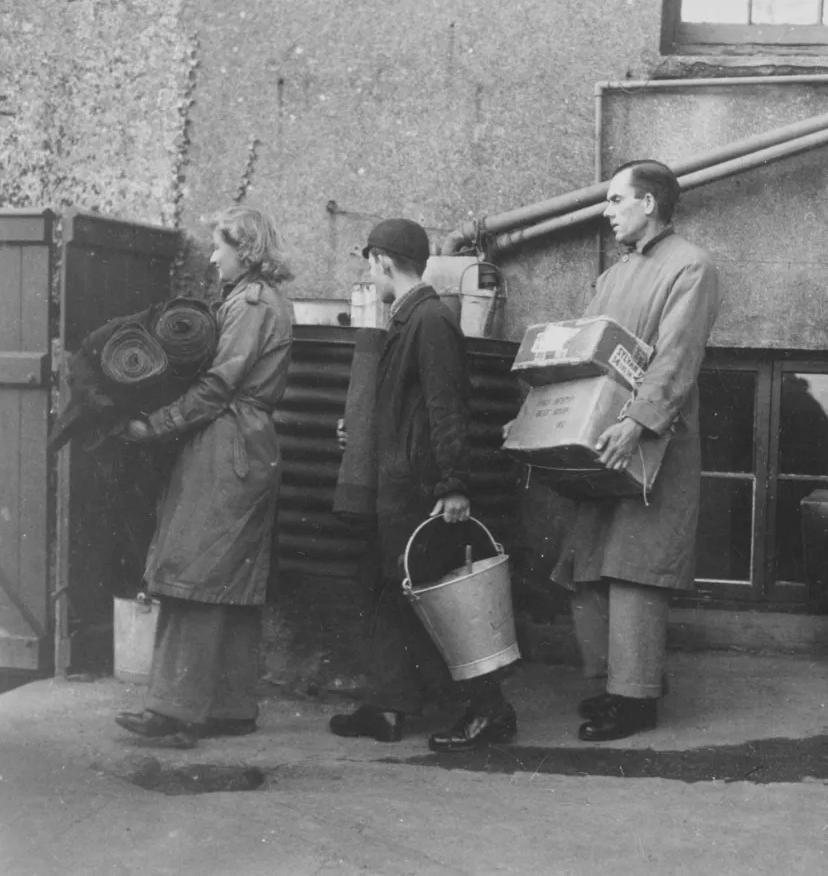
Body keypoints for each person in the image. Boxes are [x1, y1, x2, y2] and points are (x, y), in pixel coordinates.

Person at [327, 217, 518, 752]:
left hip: (418, 486)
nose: (371, 274)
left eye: (370, 264)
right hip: (399, 481)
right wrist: (362, 433)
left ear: (381, 261)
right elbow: (407, 407)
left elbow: (446, 406)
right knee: (394, 591)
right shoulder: (408, 318)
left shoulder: (430, 319)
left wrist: (453, 483)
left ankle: (490, 712)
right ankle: (391, 705)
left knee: (440, 601)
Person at [547, 160, 720, 741]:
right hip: (599, 436)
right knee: (591, 563)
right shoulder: (615, 273)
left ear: (648, 204)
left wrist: (637, 423)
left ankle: (636, 699)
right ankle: (613, 686)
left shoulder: (691, 267)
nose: (607, 210)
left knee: (636, 567)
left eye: (617, 199)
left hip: (653, 440)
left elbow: (676, 358)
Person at [114, 206, 295, 746]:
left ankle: (172, 711)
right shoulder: (256, 300)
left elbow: (218, 386)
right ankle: (231, 706)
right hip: (246, 443)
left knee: (190, 572)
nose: (214, 257)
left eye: (220, 247)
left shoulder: (253, 304)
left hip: (228, 442)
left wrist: (155, 425)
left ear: (246, 249)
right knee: (229, 577)